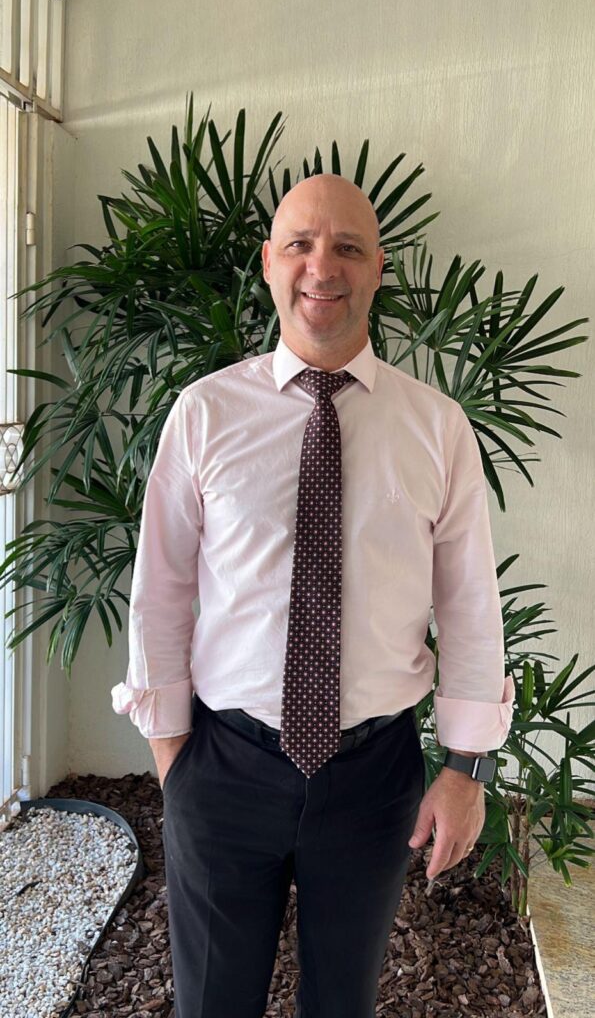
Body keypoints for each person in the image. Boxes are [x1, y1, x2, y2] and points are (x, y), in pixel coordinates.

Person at [111, 173, 514, 1018]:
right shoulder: (205, 413)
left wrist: (464, 769)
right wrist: (173, 755)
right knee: (211, 1004)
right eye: (299, 244)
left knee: (342, 1003)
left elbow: (470, 604)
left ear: (378, 268)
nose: (321, 267)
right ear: (268, 262)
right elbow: (162, 588)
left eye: (347, 248)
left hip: (373, 776)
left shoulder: (435, 426)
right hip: (223, 765)